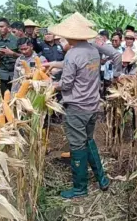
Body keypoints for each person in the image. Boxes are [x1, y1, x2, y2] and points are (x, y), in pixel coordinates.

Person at [48, 18, 111, 199]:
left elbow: (66, 84)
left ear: (70, 36)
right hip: (92, 104)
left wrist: (51, 84)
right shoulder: (93, 50)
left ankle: (79, 188)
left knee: (77, 146)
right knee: (88, 140)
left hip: (77, 107)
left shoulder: (73, 54)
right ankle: (102, 179)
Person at [0, 18, 19, 96]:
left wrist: (12, 53)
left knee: (17, 98)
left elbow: (24, 57)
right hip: (3, 74)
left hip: (16, 73)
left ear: (8, 28)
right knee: (5, 98)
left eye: (2, 26)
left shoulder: (17, 40)